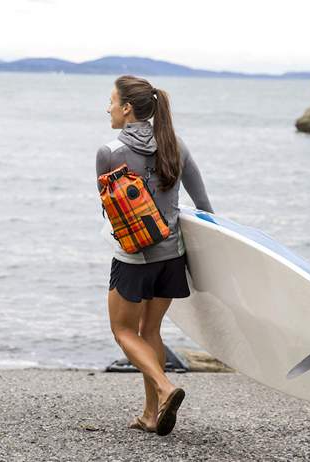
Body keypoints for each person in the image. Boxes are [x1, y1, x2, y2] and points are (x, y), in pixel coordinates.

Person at [96, 75, 214, 436]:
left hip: (134, 259)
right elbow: (204, 204)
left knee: (123, 331)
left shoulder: (110, 152)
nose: (108, 108)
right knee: (151, 330)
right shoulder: (175, 144)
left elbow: (110, 211)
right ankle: (151, 413)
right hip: (171, 256)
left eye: (112, 101)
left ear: (127, 108)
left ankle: (164, 387)